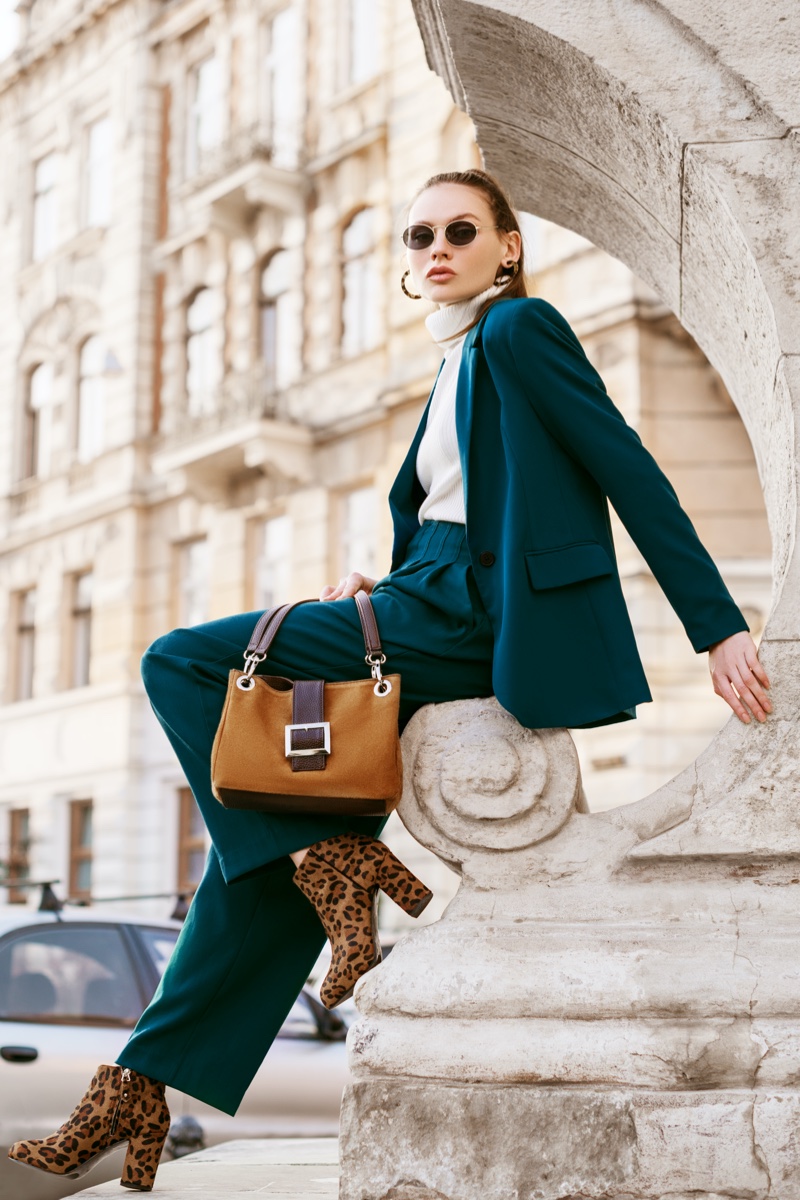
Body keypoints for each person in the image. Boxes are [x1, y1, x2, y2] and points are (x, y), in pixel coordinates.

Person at [8, 169, 771, 1191]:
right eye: (417, 237)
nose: (435, 248)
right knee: (257, 869)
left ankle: (332, 862)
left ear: (505, 245)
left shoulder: (517, 330)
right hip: (421, 598)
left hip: (468, 619)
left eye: (459, 230)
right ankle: (134, 1092)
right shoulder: (452, 355)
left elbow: (622, 463)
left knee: (180, 660)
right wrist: (385, 575)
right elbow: (451, 500)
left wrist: (716, 628)